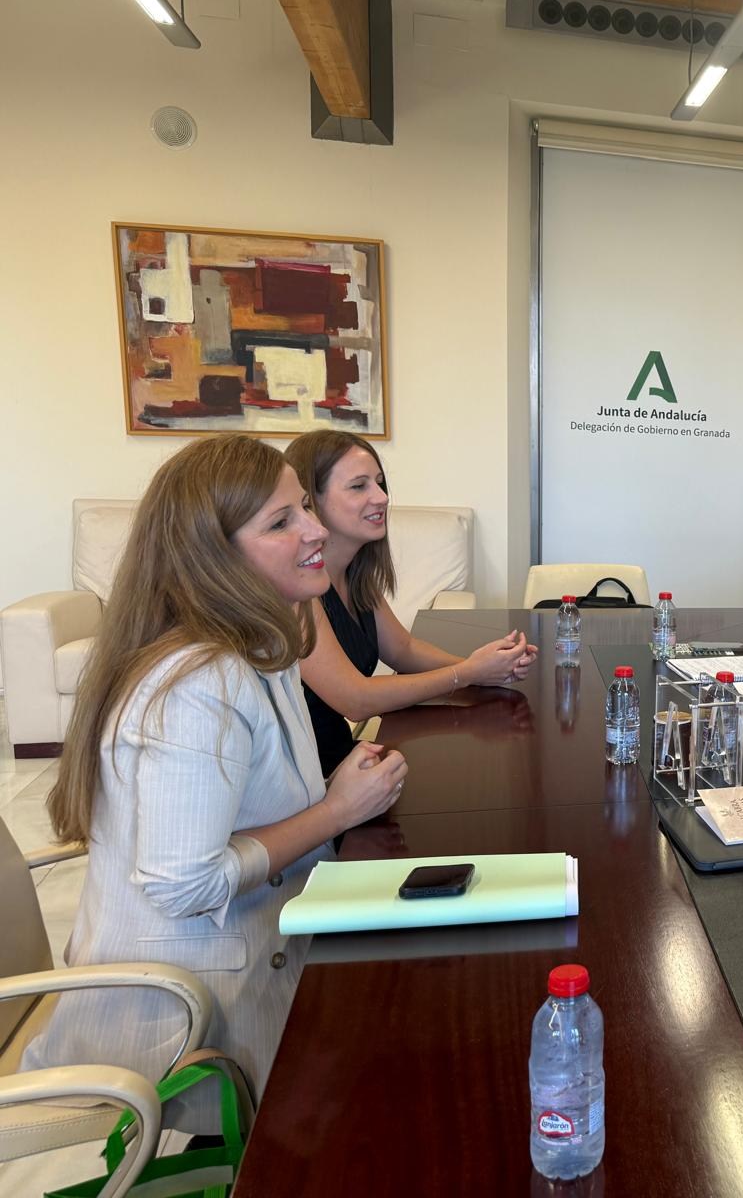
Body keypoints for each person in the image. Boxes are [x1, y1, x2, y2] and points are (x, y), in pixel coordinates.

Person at [27, 435, 409, 1129]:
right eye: (282, 521)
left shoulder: (261, 646)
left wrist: (337, 795)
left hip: (246, 959)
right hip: (184, 1024)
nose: (316, 530)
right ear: (214, 556)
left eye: (305, 508)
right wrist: (334, 812)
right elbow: (185, 884)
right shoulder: (198, 684)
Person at [285, 430, 535, 777]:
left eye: (379, 483)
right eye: (358, 486)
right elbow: (355, 700)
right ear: (310, 501)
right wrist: (467, 673)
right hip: (309, 779)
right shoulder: (297, 593)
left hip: (342, 758)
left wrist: (484, 668)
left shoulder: (355, 573)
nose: (381, 497)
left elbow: (402, 650)